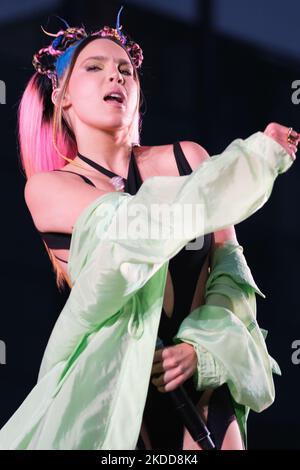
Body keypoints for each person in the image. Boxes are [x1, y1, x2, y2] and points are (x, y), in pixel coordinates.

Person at [3, 7, 297, 450]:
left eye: (125, 71)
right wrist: (250, 164)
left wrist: (203, 351)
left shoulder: (189, 161)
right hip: (108, 400)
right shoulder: (49, 187)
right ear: (62, 96)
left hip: (201, 395)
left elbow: (233, 277)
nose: (115, 78)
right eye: (95, 68)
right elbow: (140, 228)